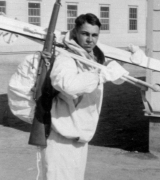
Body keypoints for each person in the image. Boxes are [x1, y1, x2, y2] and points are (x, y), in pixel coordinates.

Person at [40, 13, 129, 180]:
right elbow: (68, 85)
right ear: (75, 33)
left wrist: (128, 59)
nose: (90, 39)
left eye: (94, 35)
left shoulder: (91, 57)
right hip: (61, 138)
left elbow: (115, 75)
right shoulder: (66, 57)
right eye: (85, 34)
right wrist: (100, 75)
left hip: (80, 136)